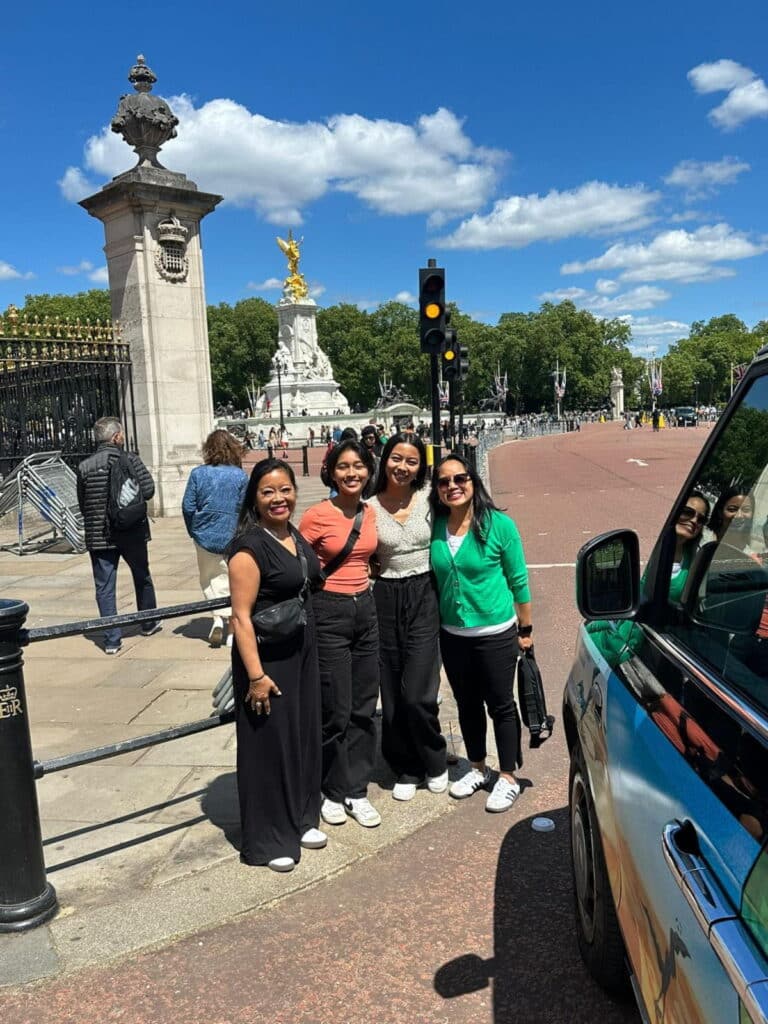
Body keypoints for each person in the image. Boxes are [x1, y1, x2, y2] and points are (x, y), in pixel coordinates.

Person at [227, 459, 326, 872]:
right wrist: (255, 677)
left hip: (299, 648)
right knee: (270, 745)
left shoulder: (291, 534)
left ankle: (301, 818)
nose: (278, 498)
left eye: (284, 489)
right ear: (254, 497)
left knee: (301, 736)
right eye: (268, 491)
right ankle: (269, 839)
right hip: (266, 657)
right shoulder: (249, 547)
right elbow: (240, 617)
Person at [429, 454, 533, 813]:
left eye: (460, 479)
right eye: (444, 481)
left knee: (501, 704)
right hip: (453, 633)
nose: (453, 486)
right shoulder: (436, 526)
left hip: (495, 632)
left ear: (474, 483)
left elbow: (518, 579)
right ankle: (476, 766)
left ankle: (507, 776)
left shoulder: (499, 525)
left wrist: (526, 628)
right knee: (467, 705)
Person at [299, 440, 381, 828]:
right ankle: (332, 788)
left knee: (364, 707)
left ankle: (357, 789)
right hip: (328, 611)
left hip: (365, 608)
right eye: (344, 467)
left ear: (368, 470)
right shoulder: (316, 515)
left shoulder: (371, 512)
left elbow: (371, 555)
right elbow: (298, 565)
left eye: (359, 466)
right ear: (331, 472)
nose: (352, 474)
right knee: (336, 709)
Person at [368, 433, 447, 800]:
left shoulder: (430, 499)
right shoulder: (368, 507)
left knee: (418, 691)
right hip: (384, 594)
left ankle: (434, 758)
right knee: (393, 689)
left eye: (411, 461)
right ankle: (405, 765)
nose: (402, 466)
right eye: (396, 458)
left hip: (424, 592)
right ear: (385, 460)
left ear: (421, 466)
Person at [76, 416, 160, 655]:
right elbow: (148, 490)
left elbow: (83, 504)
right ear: (116, 437)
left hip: (99, 535)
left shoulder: (84, 466)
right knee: (141, 576)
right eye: (121, 433)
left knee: (104, 587)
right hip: (130, 530)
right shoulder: (131, 459)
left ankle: (112, 639)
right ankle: (149, 621)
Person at [182, 430, 248, 647]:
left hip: (204, 534)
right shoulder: (240, 476)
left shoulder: (198, 474)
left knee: (209, 579)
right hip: (232, 534)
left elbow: (188, 506)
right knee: (232, 580)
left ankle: (217, 618)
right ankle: (230, 628)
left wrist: (194, 529)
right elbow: (245, 508)